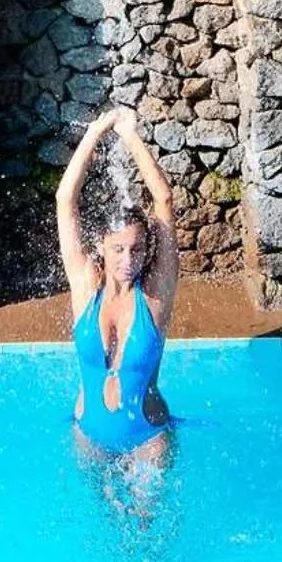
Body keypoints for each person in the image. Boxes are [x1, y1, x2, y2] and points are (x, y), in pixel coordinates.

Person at [55, 106, 179, 462]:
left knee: (143, 520)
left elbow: (164, 201)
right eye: (118, 249)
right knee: (97, 518)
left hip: (148, 440)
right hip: (88, 436)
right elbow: (66, 200)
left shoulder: (155, 295)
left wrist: (129, 134)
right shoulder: (85, 288)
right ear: (101, 248)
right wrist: (95, 133)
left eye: (137, 249)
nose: (128, 260)